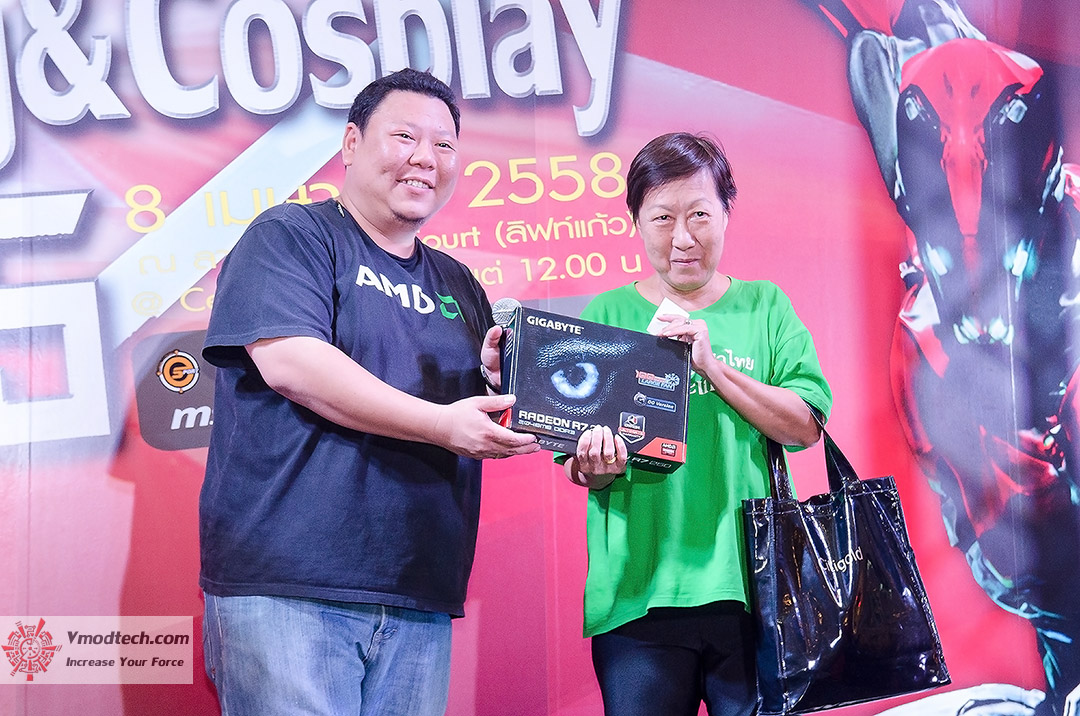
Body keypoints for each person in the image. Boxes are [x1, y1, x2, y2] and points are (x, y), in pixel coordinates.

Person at [197, 68, 538, 716]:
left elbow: (476, 411)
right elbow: (292, 363)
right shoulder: (291, 235)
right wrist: (442, 424)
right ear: (351, 143)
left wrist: (499, 380)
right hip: (290, 586)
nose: (425, 158)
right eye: (405, 136)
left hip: (417, 593)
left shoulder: (458, 281)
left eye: (443, 144)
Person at [562, 132, 833, 716]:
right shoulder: (607, 314)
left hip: (755, 590)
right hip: (638, 597)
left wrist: (711, 365)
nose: (682, 238)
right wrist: (596, 465)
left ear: (726, 213)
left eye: (699, 215)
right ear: (636, 221)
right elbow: (582, 470)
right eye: (662, 218)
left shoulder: (765, 306)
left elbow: (805, 427)